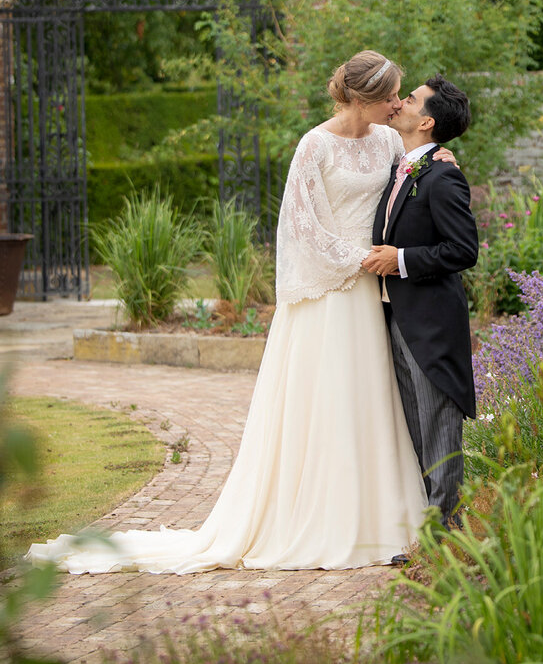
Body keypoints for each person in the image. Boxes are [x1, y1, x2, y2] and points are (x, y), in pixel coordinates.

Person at [28, 51, 455, 574]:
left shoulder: (390, 141)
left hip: (375, 296)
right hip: (332, 293)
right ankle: (322, 518)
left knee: (372, 398)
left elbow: (404, 195)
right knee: (327, 402)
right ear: (364, 98)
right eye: (391, 96)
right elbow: (301, 230)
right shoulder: (314, 145)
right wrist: (361, 260)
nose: (397, 104)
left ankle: (385, 517)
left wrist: (438, 160)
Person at [363, 76, 478, 537]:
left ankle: (445, 536)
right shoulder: (401, 166)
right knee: (414, 425)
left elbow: (463, 249)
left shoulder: (443, 174)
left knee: (438, 427)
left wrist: (401, 259)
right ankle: (423, 528)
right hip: (396, 316)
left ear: (425, 121)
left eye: (409, 99)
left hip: (431, 325)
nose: (400, 102)